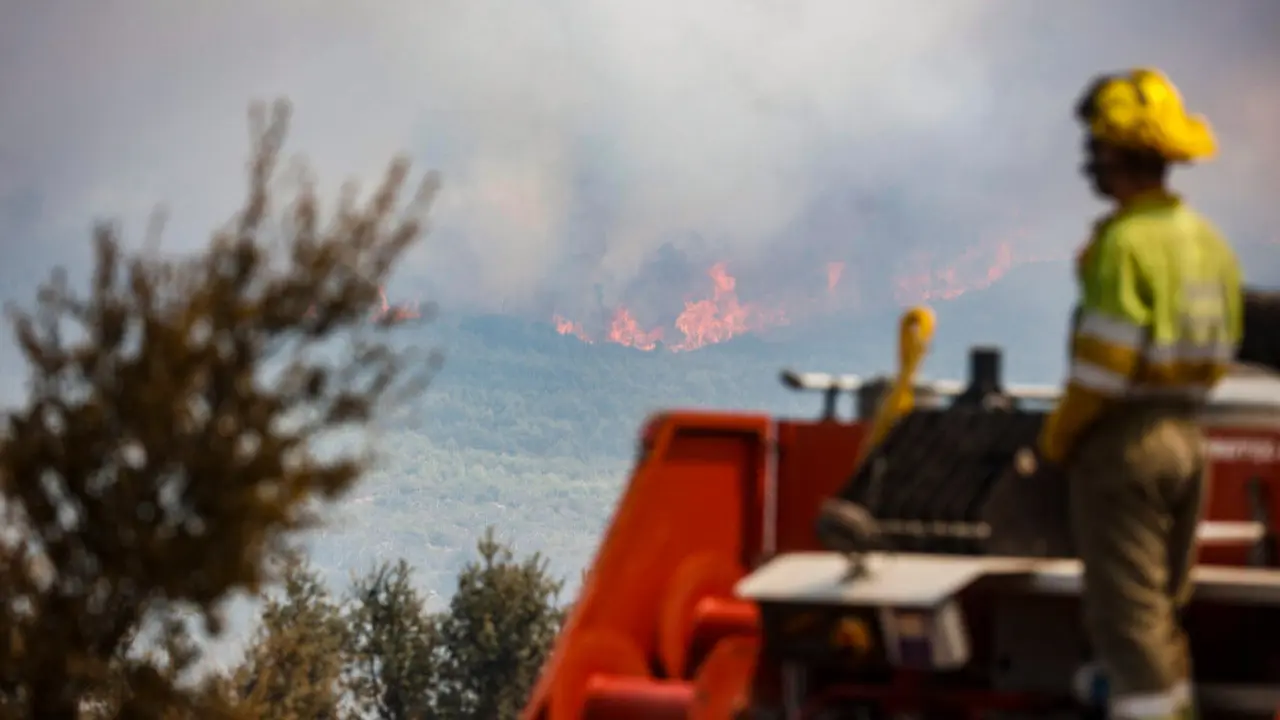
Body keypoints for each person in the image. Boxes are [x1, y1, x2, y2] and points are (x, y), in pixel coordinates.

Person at [1035, 68, 1243, 720]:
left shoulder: (1122, 243)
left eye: (1095, 148)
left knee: (1127, 619)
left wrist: (1057, 440)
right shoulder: (1207, 241)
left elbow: (1104, 368)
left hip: (1125, 445)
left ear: (1115, 154)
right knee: (1160, 611)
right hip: (1188, 437)